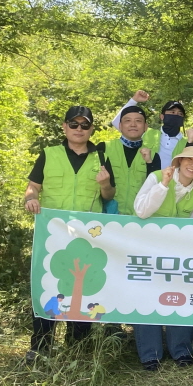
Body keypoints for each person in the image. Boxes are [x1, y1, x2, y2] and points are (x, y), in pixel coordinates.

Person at [23, 106, 115, 363]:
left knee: (83, 288)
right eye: (73, 125)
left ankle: (77, 348)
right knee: (47, 287)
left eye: (84, 125)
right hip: (51, 235)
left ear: (91, 129)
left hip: (87, 237)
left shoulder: (100, 157)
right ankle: (40, 346)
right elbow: (32, 188)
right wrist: (31, 199)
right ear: (64, 127)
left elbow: (109, 195)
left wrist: (105, 183)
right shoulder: (48, 154)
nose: (78, 129)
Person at [131, 145, 193, 370]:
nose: (192, 165)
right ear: (179, 161)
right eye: (188, 160)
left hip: (178, 254)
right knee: (147, 297)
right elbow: (141, 210)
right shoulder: (156, 176)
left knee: (180, 297)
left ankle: (182, 351)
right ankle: (150, 355)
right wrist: (163, 185)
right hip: (146, 249)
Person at [103, 105, 161, 215]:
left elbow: (155, 191)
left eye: (138, 121)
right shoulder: (104, 148)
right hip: (106, 217)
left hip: (138, 219)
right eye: (127, 121)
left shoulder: (154, 156)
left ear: (145, 127)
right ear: (120, 126)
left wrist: (149, 163)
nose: (133, 124)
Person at [112, 90, 186, 169]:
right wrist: (134, 100)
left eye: (180, 114)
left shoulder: (186, 143)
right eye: (172, 112)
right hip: (145, 179)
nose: (176, 115)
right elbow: (117, 123)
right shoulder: (147, 133)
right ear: (162, 116)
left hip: (171, 180)